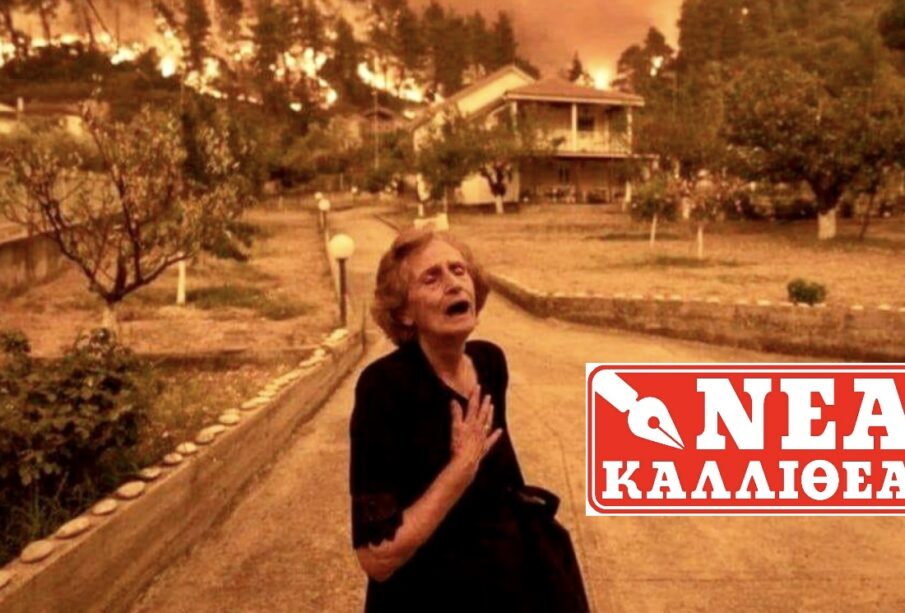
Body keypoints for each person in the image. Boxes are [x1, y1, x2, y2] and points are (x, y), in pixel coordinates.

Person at [349, 227, 588, 612]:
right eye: (431, 277)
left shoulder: (490, 362)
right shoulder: (384, 388)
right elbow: (377, 557)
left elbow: (503, 488)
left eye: (458, 270)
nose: (453, 283)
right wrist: (460, 469)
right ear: (404, 312)